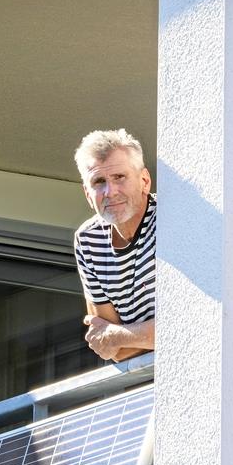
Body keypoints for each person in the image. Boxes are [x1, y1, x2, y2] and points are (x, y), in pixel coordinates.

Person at [72, 129, 156, 362]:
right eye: (99, 182)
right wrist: (145, 336)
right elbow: (111, 350)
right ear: (88, 194)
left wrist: (119, 336)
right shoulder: (88, 240)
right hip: (140, 386)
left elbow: (190, 326)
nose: (111, 192)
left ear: (144, 181)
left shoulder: (170, 222)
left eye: (120, 177)